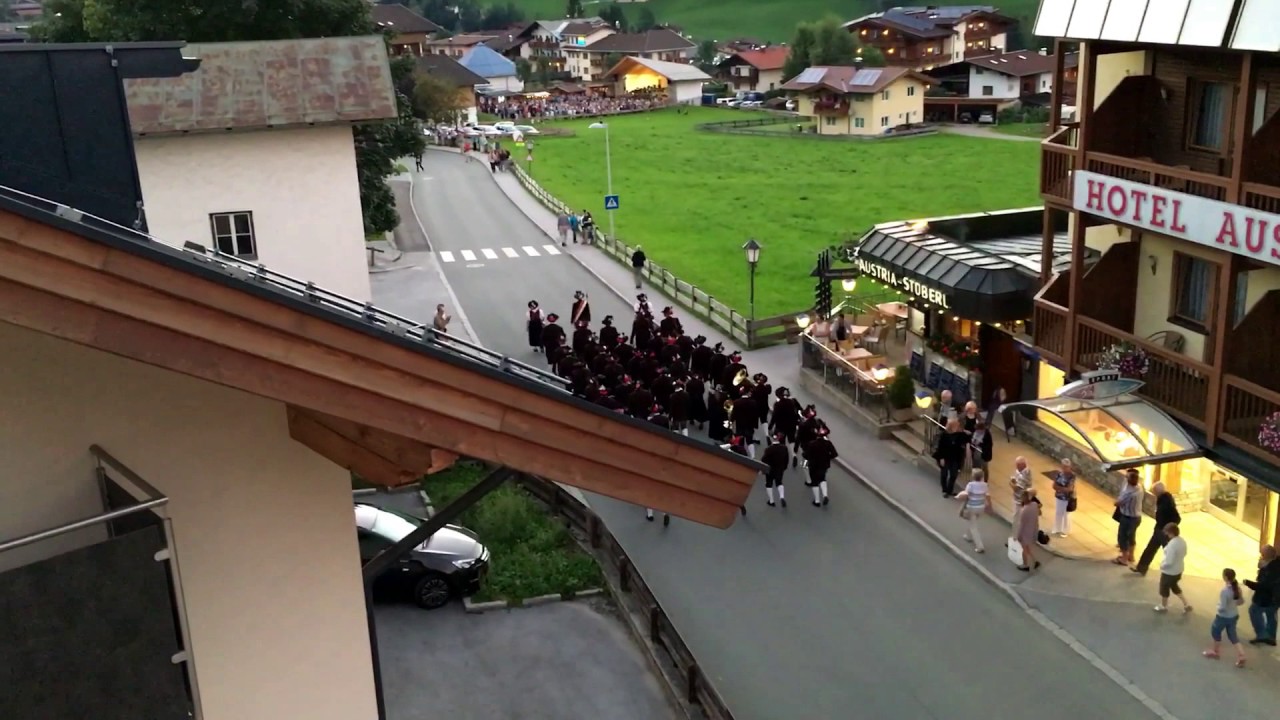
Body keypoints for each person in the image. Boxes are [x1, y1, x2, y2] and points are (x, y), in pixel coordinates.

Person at [1133, 481, 1180, 576]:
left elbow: (1175, 517)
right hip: (1160, 529)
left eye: (1154, 491)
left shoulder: (1165, 502)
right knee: (1151, 548)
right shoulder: (1165, 499)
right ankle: (1141, 567)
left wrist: (1169, 529)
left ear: (1158, 491)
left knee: (1168, 551)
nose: (1153, 494)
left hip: (1164, 531)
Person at [1204, 568, 1247, 668]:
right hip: (1234, 615)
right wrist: (1233, 604)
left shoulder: (1224, 591)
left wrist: (1217, 607)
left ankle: (1215, 651)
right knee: (1232, 635)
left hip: (1223, 617)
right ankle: (1241, 655)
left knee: (1215, 631)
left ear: (1226, 577)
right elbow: (1241, 601)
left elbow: (1222, 607)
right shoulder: (1237, 588)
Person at [1245, 545, 1279, 646]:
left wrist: (1248, 583)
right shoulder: (1277, 563)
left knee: (1254, 611)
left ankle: (1262, 635)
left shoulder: (1268, 570)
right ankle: (1271, 637)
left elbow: (1263, 586)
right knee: (1271, 616)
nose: (1261, 556)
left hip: (1266, 599)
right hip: (1276, 598)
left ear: (1267, 556)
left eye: (1262, 554)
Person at [1155, 522, 1193, 614]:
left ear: (1171, 533)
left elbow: (1169, 561)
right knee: (1174, 586)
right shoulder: (1182, 541)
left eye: (1167, 533)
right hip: (1179, 569)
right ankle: (1186, 604)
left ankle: (1163, 606)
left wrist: (1162, 565)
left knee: (1164, 588)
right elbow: (1184, 553)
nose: (1166, 535)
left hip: (1169, 572)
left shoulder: (1172, 545)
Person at [1113, 469, 1144, 567]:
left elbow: (1117, 503)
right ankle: (1131, 556)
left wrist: (1117, 501)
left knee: (1123, 537)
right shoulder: (1140, 488)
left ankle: (1124, 558)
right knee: (1131, 537)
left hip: (1128, 517)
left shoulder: (1128, 493)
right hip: (1137, 517)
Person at [957, 468, 992, 553]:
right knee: (973, 521)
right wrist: (990, 506)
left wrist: (959, 498)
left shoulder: (970, 485)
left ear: (973, 476)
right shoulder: (985, 485)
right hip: (981, 507)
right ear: (982, 477)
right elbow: (987, 496)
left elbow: (966, 495)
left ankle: (980, 546)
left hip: (972, 507)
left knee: (973, 527)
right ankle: (968, 536)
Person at [932, 418, 968, 498]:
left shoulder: (960, 435)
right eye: (956, 426)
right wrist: (941, 458)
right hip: (945, 458)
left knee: (953, 474)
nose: (958, 427)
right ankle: (944, 490)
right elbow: (940, 447)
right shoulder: (943, 435)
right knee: (944, 474)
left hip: (955, 458)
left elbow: (966, 439)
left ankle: (950, 490)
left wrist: (965, 432)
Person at [803, 423, 837, 507]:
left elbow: (805, 455)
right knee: (822, 479)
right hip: (824, 465)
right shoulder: (828, 443)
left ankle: (817, 501)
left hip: (813, 465)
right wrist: (827, 457)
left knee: (814, 482)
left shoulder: (812, 444)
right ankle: (825, 495)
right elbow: (834, 454)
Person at [1014, 488, 1042, 572]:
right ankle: (1035, 561)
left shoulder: (1024, 510)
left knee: (1024, 549)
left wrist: (1018, 535)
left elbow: (1021, 525)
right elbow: (1039, 513)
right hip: (1033, 529)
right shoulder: (1034, 504)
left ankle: (1025, 565)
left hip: (1025, 532)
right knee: (1027, 548)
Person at [761, 433, 789, 508]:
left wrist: (763, 470)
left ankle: (771, 501)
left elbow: (763, 460)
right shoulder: (784, 448)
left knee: (769, 484)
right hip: (780, 468)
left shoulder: (768, 449)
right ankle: (782, 497)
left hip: (770, 469)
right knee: (779, 483)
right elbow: (786, 459)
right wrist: (784, 467)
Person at [1051, 458, 1076, 537]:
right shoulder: (1059, 474)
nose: (1064, 468)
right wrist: (1062, 489)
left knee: (1066, 514)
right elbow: (1054, 485)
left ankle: (1065, 531)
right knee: (1058, 512)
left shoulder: (1072, 476)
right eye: (1063, 466)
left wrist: (1059, 488)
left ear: (1069, 467)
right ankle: (1057, 528)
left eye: (1066, 467)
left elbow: (1069, 489)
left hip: (1067, 498)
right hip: (1059, 497)